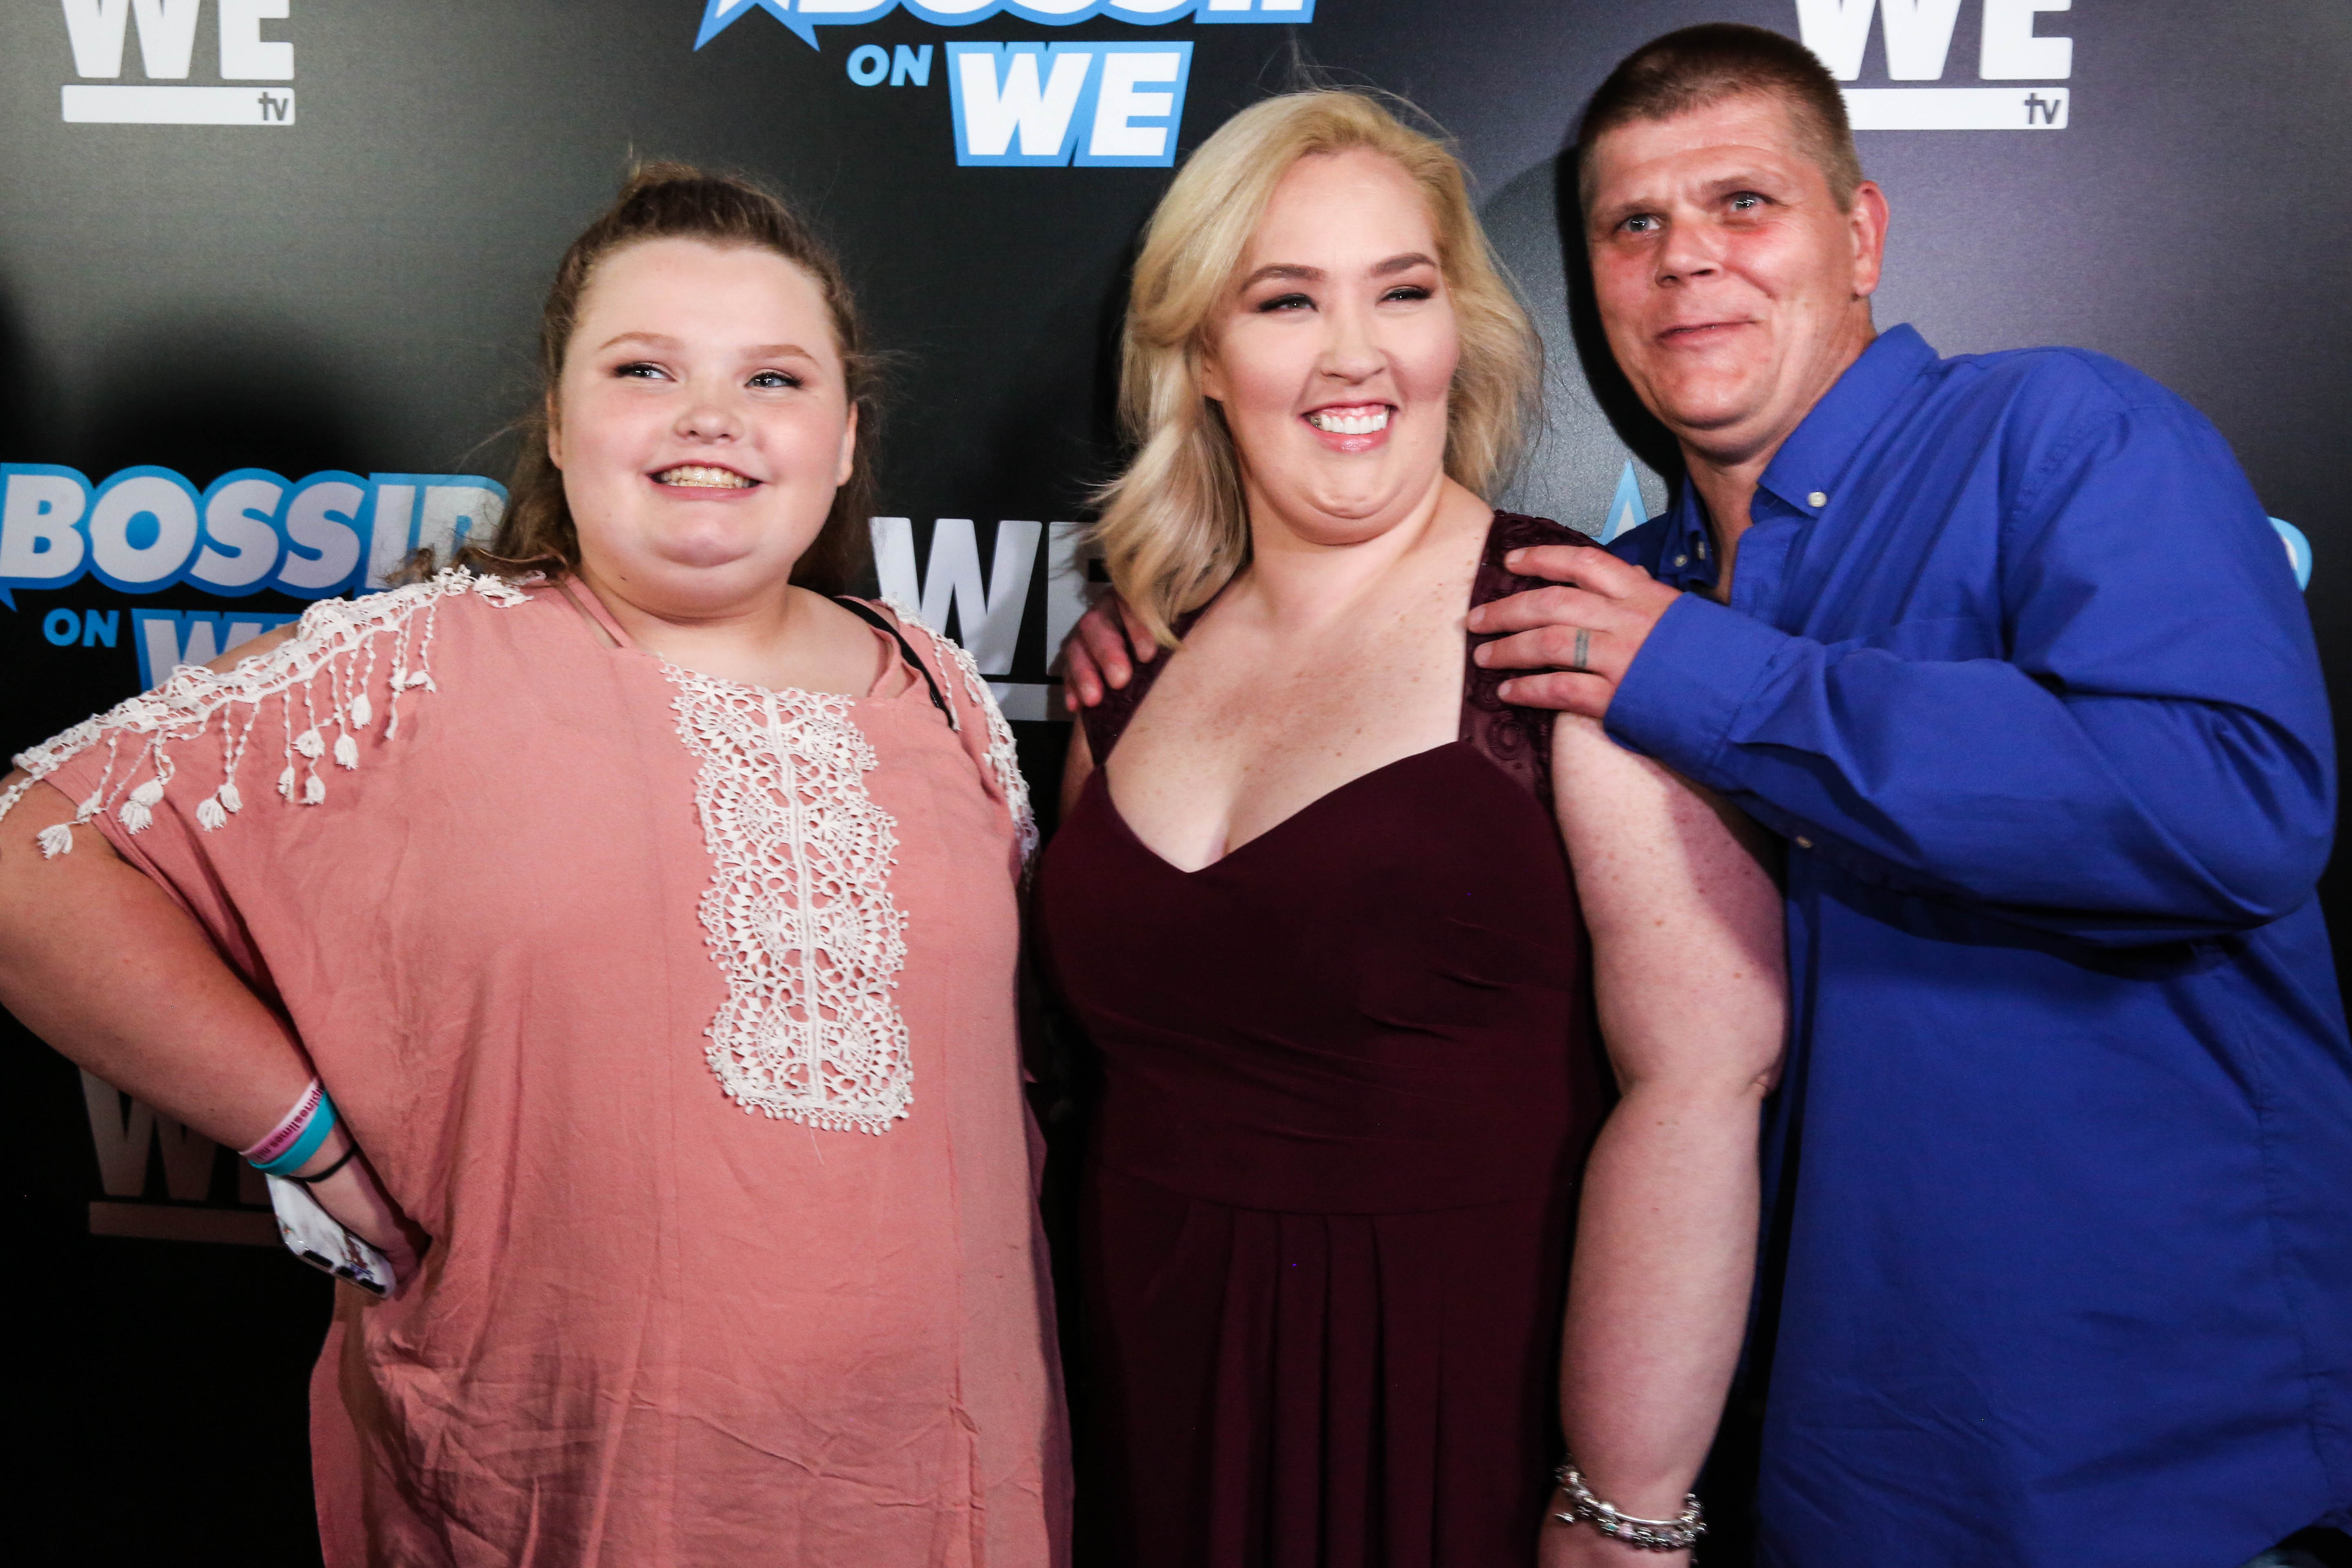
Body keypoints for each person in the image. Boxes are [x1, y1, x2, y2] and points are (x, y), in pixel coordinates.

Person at [1059, 24, 2352, 1568]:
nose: (1688, 264)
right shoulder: (1616, 597)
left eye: (1744, 204)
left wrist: (1714, 680)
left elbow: (2233, 800)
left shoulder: (2057, 437)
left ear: (1861, 234)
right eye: (1634, 225)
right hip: (1830, 1463)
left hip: (2146, 1453)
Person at [0, 165, 1069, 1566]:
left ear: (847, 433)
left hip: (941, 1490)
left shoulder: (940, 687)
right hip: (558, 1487)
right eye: (645, 368)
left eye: (774, 378)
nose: (713, 420)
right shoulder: (418, 665)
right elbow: (28, 862)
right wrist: (301, 1134)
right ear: (558, 423)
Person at [1033, 90, 1786, 1568]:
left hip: (1464, 1415)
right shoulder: (1128, 672)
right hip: (1137, 1398)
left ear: (1461, 331)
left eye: (1403, 290)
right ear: (1199, 356)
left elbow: (1704, 1085)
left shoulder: (1573, 630)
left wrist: (1623, 1504)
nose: (1357, 352)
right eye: (1286, 299)